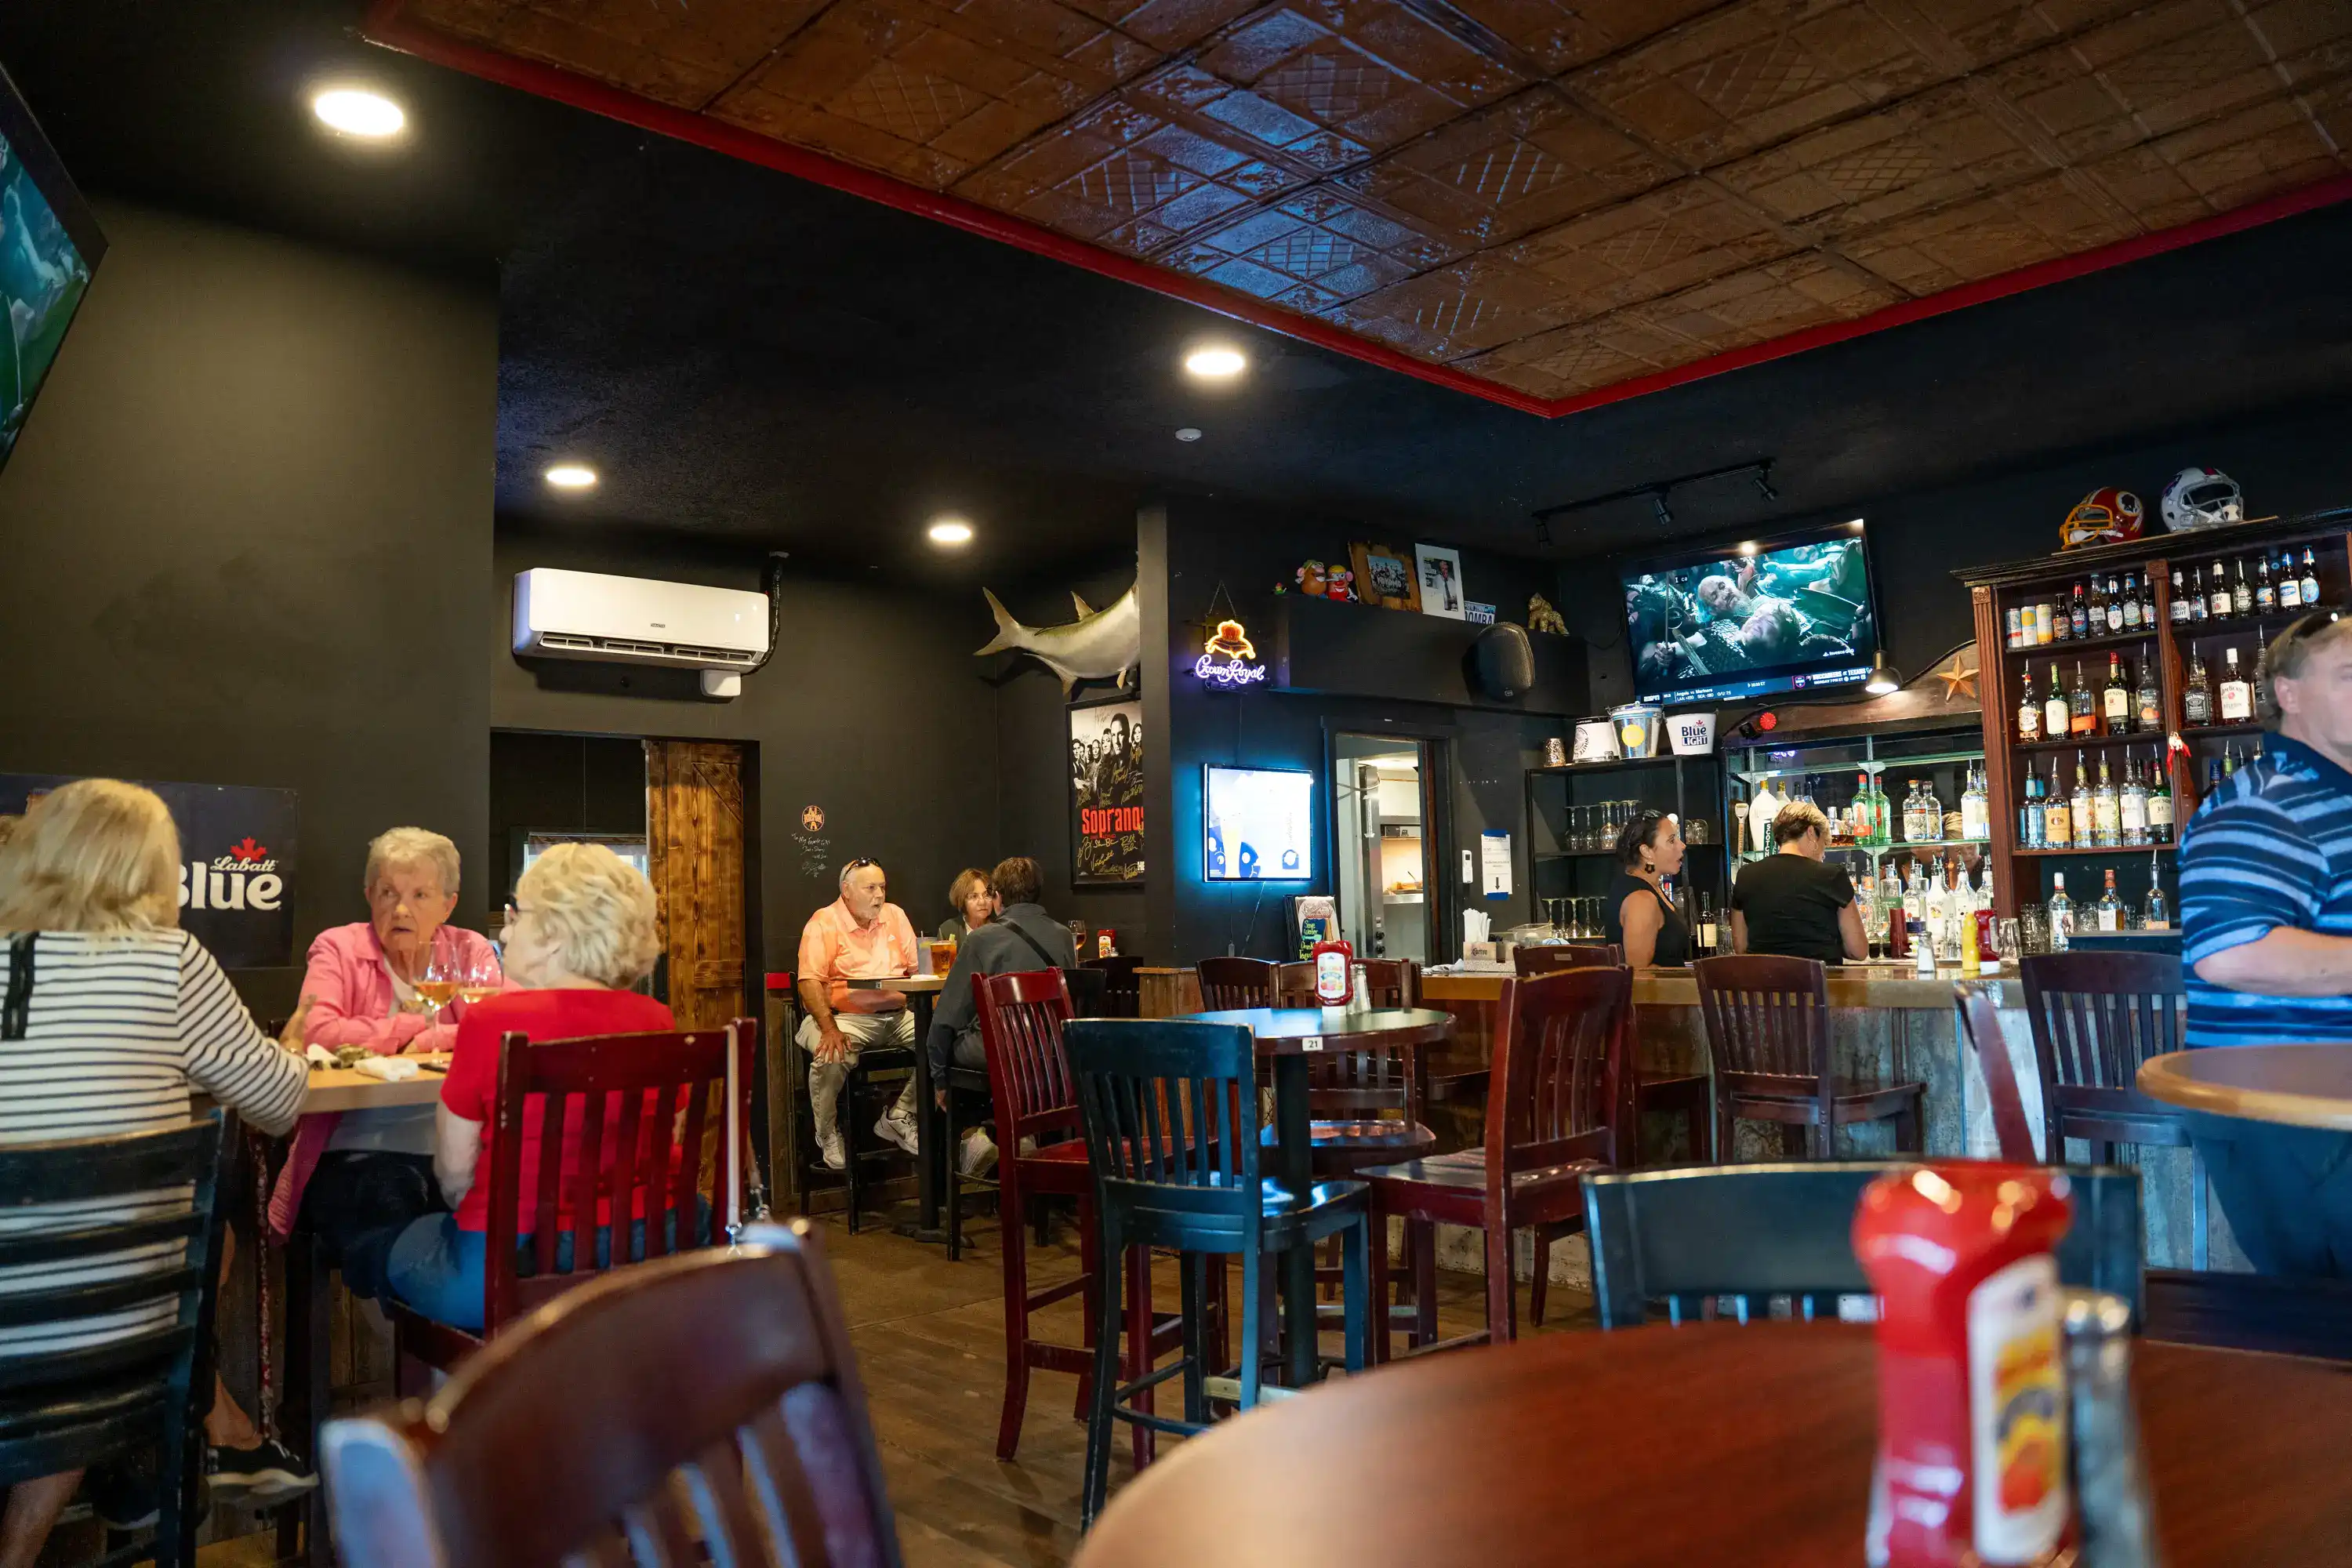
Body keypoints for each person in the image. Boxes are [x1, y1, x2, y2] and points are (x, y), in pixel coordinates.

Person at [0, 780, 311, 1565]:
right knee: (182, 1255)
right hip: (122, 1345)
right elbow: (280, 1101)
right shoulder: (170, 961)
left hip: (20, 1329)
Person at [383, 843, 677, 1330]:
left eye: (517, 916)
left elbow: (455, 1175)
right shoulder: (657, 1021)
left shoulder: (493, 1021)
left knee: (387, 1239)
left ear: (554, 936)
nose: (508, 928)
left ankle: (451, 1397)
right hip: (640, 1256)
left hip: (504, 1272)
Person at [2181, 610, 2352, 1276]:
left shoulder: (2333, 799)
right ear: (2288, 692)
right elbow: (2231, 952)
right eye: (2348, 676)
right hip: (2299, 1126)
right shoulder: (2265, 803)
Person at [265, 828, 501, 1305]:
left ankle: (463, 1361)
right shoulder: (338, 948)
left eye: (419, 895)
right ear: (369, 895)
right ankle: (431, 1361)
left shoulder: (469, 950)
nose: (400, 909)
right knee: (404, 1226)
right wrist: (403, 1032)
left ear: (448, 905)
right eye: (388, 893)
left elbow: (500, 1030)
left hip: (460, 1154)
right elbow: (317, 1032)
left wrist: (426, 1037)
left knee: (504, 1235)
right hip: (359, 1151)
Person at [924, 855, 1077, 1174]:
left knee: (948, 1047)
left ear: (998, 898)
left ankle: (975, 1138)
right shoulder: (1064, 935)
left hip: (1004, 1053)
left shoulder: (982, 939)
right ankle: (1017, 1134)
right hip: (1053, 1057)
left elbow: (946, 1017)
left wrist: (939, 1078)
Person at [797, 859, 923, 1171]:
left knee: (946, 1042)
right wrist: (828, 1028)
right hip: (843, 1017)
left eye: (882, 887)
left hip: (897, 1015)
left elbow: (919, 972)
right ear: (847, 891)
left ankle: (899, 1114)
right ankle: (826, 1132)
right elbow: (809, 981)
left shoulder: (895, 916)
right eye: (870, 888)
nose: (879, 895)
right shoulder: (824, 921)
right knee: (833, 1053)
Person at [1731, 800, 1867, 965]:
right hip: (1822, 987)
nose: (1823, 855)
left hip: (1765, 987)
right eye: (1824, 843)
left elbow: (1740, 947)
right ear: (1811, 832)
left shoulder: (1746, 875)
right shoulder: (1832, 875)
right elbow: (1858, 950)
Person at [1604, 811, 1690, 968]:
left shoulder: (1649, 887)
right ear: (1647, 852)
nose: (1682, 845)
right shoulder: (1642, 899)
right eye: (1672, 840)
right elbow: (1638, 976)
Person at [938, 867, 993, 941]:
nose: (982, 902)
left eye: (986, 895)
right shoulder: (948, 930)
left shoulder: (1002, 927)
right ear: (962, 900)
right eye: (974, 896)